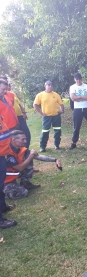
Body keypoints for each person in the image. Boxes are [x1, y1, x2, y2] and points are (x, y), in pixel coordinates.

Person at [4, 130, 62, 199]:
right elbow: (20, 168)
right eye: (22, 139)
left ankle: (25, 183)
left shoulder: (20, 149)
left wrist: (55, 160)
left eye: (25, 139)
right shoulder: (6, 152)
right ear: (13, 140)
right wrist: (31, 156)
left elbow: (37, 156)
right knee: (23, 192)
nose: (25, 141)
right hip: (3, 181)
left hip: (11, 179)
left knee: (28, 157)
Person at [0, 79, 17, 229]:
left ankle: (3, 207)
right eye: (2, 89)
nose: (5, 92)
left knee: (1, 182)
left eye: (6, 89)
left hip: (2, 152)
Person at [33, 80, 64, 152]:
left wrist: (62, 110)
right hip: (46, 117)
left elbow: (61, 104)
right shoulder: (40, 95)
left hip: (56, 116)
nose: (50, 86)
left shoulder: (56, 95)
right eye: (48, 85)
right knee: (45, 131)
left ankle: (57, 145)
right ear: (45, 86)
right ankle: (42, 147)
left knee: (58, 131)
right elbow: (35, 104)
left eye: (51, 85)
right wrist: (41, 113)